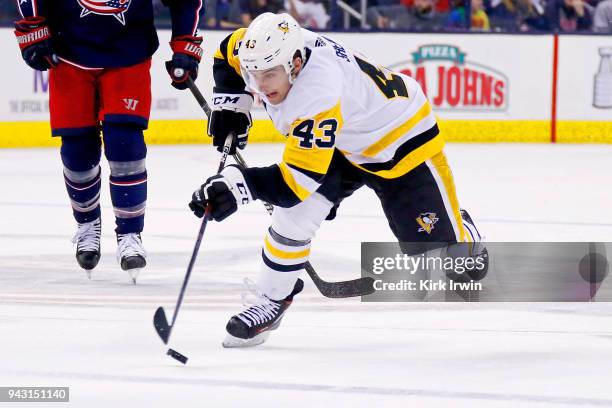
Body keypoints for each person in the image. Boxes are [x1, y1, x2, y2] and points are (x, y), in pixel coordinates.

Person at [189, 13, 484, 347]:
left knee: (452, 265)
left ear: (296, 64)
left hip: (399, 143)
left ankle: (463, 234)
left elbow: (294, 183)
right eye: (254, 75)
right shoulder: (260, 52)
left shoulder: (318, 90)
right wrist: (232, 108)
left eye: (269, 75)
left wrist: (240, 184)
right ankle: (272, 298)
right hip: (342, 140)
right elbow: (226, 52)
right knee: (295, 216)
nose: (260, 85)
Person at [14, 0, 204, 282]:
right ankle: (88, 225)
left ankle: (130, 233)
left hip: (130, 53)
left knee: (125, 144)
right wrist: (34, 27)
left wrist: (185, 45)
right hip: (69, 53)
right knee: (78, 150)